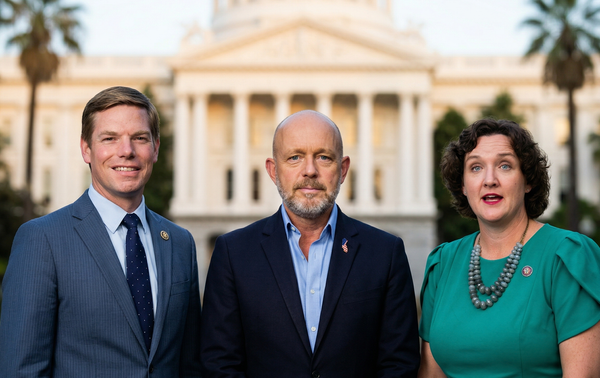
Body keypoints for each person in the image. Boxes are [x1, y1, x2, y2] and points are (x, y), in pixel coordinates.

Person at [200, 110, 420, 378]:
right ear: (273, 170)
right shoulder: (233, 253)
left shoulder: (385, 253)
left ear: (343, 169)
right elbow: (219, 364)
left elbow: (399, 364)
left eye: (323, 157)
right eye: (294, 157)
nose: (310, 171)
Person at [0, 86, 202, 377]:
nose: (127, 151)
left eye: (139, 138)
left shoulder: (180, 242)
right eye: (110, 138)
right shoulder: (42, 239)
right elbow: (22, 369)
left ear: (156, 148)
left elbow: (190, 363)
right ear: (86, 149)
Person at [418, 118, 600, 378]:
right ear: (463, 186)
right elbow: (431, 374)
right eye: (476, 167)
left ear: (528, 181)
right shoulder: (442, 263)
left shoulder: (567, 257)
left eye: (505, 165)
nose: (489, 180)